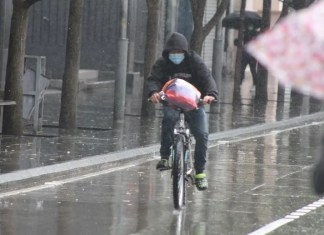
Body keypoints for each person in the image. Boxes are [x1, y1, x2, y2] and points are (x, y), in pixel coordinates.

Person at [146, 32, 218, 191]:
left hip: (194, 103)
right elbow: (153, 79)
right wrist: (153, 93)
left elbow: (207, 78)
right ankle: (165, 156)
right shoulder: (162, 63)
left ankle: (200, 173)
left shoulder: (195, 61)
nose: (175, 56)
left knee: (201, 134)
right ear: (167, 53)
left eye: (179, 53)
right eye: (172, 53)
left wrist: (210, 94)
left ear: (185, 52)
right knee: (169, 120)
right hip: (171, 102)